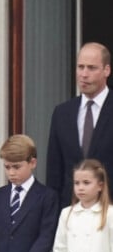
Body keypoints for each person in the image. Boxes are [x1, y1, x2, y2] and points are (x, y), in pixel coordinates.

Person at [46, 42, 113, 209]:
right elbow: (54, 173)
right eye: (80, 67)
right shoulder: (62, 113)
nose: (84, 74)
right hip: (71, 214)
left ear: (107, 70)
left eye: (91, 68)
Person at [0, 134, 59, 252]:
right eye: (7, 167)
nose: (11, 173)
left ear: (32, 163)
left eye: (16, 167)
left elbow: (47, 235)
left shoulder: (47, 196)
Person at [52, 159, 113, 252]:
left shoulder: (109, 213)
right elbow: (60, 251)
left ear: (100, 186)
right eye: (77, 183)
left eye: (86, 183)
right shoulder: (66, 213)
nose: (80, 188)